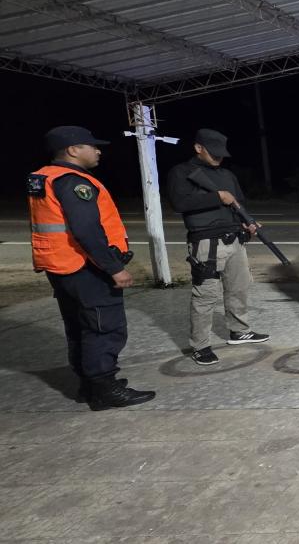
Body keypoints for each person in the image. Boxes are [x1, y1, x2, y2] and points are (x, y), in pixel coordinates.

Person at [28, 126, 156, 409]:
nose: (98, 151)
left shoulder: (44, 177)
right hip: (86, 267)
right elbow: (87, 231)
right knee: (104, 328)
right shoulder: (73, 182)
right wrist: (114, 268)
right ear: (73, 150)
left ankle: (89, 386)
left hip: (62, 267)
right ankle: (105, 390)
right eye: (92, 146)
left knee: (79, 328)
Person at [167, 128, 269, 366]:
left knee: (238, 288)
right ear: (198, 148)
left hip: (235, 239)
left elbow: (238, 204)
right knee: (205, 296)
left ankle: (239, 331)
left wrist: (248, 223)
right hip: (206, 243)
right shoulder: (181, 172)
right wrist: (217, 197)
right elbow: (179, 203)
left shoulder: (226, 175)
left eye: (221, 153)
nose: (219, 157)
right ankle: (200, 346)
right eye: (213, 153)